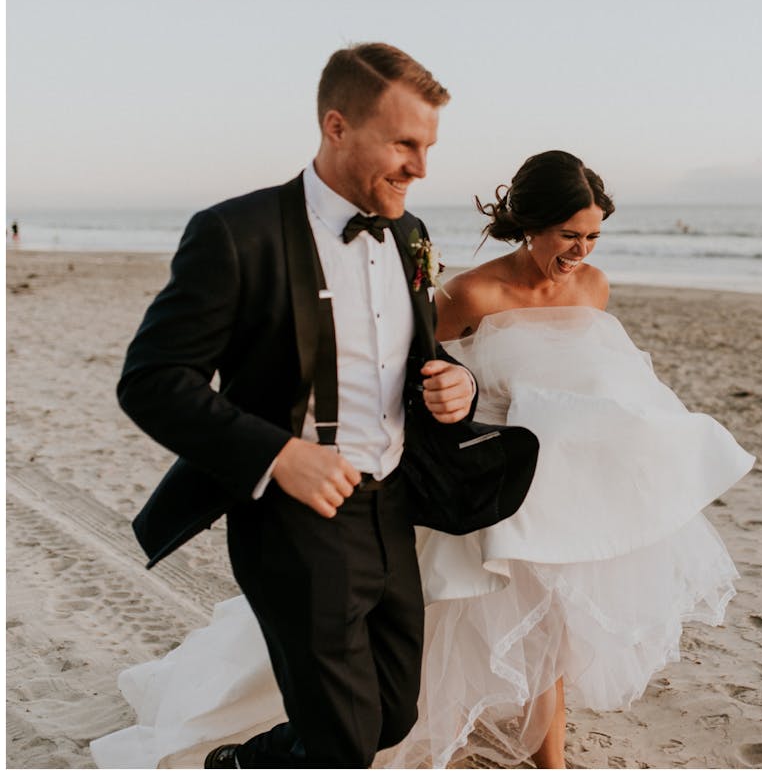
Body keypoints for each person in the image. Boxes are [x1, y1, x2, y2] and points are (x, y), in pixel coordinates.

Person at [92, 151, 753, 769]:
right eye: (567, 236)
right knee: (423, 626)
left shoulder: (595, 289)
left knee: (557, 615)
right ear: (529, 226)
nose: (579, 254)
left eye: (592, 238)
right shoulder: (471, 293)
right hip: (488, 483)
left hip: (565, 483)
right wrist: (454, 389)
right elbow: (405, 363)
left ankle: (548, 758)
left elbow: (599, 379)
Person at [108, 43, 482, 768]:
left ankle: (246, 762)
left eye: (429, 146)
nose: (422, 167)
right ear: (337, 127)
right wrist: (280, 455)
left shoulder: (411, 234)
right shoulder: (235, 234)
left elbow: (407, 355)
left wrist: (452, 384)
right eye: (404, 143)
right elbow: (151, 378)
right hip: (292, 521)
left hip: (392, 504)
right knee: (344, 741)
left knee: (393, 714)